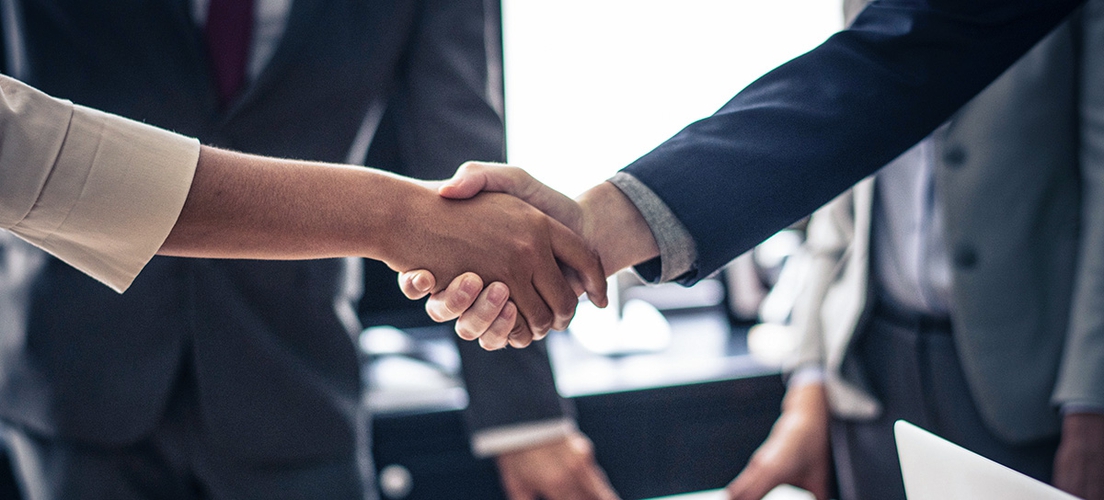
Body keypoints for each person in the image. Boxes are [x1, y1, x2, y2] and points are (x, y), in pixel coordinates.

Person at [0, 2, 615, 500]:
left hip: (293, 378)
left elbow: (463, 158)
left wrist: (523, 417)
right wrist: (388, 217)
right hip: (69, 370)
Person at [719, 0, 1104, 498]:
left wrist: (1092, 399)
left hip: (1028, 387)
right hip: (869, 368)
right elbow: (841, 192)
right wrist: (808, 383)